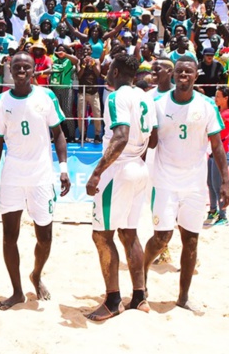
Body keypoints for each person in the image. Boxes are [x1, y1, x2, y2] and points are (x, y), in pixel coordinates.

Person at [144, 56, 229, 312]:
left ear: (196, 75)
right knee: (162, 238)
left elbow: (217, 146)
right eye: (179, 70)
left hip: (194, 184)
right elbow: (150, 141)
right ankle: (142, 279)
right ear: (173, 75)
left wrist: (225, 182)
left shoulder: (206, 105)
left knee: (191, 240)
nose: (183, 74)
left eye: (188, 71)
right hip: (164, 181)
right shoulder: (158, 103)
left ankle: (183, 297)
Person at [0, 52, 70, 309]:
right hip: (12, 176)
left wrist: (63, 168)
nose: (21, 70)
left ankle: (36, 274)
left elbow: (59, 135)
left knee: (44, 237)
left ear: (34, 70)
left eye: (27, 66)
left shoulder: (47, 97)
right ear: (10, 69)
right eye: (17, 66)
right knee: (9, 236)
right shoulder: (1, 101)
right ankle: (17, 291)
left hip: (41, 176)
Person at [84, 53, 156, 321]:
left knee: (102, 235)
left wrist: (97, 173)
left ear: (115, 71)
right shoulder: (146, 97)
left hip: (119, 169)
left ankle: (113, 299)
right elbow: (155, 138)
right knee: (130, 233)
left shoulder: (116, 97)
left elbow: (121, 136)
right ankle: (139, 296)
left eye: (109, 67)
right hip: (140, 167)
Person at [207, 87, 229, 226]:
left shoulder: (228, 114)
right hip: (213, 153)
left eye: (218, 96)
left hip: (221, 154)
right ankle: (213, 210)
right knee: (211, 183)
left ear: (226, 98)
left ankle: (223, 215)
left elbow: (220, 134)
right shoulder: (220, 112)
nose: (215, 98)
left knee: (218, 185)